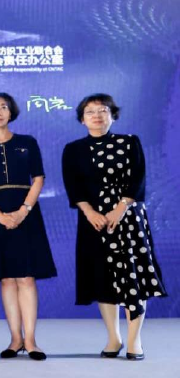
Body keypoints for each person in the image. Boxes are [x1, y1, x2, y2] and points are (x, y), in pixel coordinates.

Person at [61, 93, 166, 361]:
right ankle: (113, 338)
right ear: (82, 120)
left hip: (128, 218)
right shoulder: (73, 149)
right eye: (90, 112)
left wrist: (120, 209)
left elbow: (138, 179)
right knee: (103, 277)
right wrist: (90, 212)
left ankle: (134, 340)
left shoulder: (129, 142)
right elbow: (73, 187)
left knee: (133, 276)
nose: (97, 116)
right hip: (94, 221)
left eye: (103, 111)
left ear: (112, 115)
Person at [0, 92, 56, 361]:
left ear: (11, 112)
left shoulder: (27, 142)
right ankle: (15, 339)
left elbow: (38, 178)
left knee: (26, 277)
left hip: (26, 214)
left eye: (3, 107)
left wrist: (23, 211)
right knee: (6, 278)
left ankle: (31, 340)